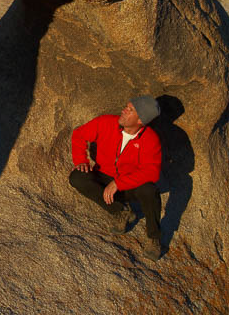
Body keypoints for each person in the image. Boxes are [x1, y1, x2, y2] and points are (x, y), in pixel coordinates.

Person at [68, 96, 163, 260]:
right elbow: (79, 134)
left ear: (140, 120)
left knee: (149, 190)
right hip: (103, 177)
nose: (124, 110)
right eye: (126, 106)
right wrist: (81, 161)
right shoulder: (106, 122)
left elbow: (152, 172)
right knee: (77, 177)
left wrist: (119, 183)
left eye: (130, 110)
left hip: (128, 185)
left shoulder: (150, 140)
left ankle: (153, 237)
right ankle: (121, 211)